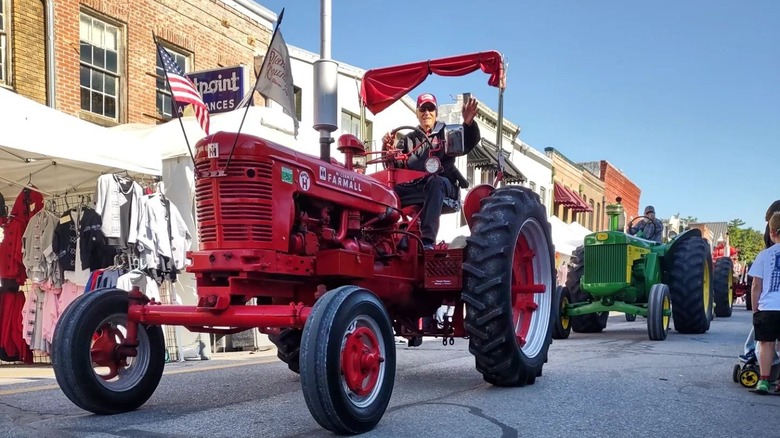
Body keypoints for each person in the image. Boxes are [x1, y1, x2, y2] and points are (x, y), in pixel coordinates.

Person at [383, 93, 480, 250]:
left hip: (444, 184)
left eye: (430, 108)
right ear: (417, 113)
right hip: (415, 186)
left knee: (435, 182)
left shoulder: (447, 133)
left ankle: (427, 241)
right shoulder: (408, 139)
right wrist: (389, 151)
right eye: (423, 109)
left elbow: (466, 143)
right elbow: (396, 167)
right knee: (386, 190)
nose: (427, 113)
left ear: (436, 112)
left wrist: (468, 124)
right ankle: (384, 238)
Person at [748, 211, 780, 394]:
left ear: (772, 232)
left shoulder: (764, 255)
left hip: (768, 307)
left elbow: (756, 285)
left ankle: (764, 380)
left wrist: (755, 308)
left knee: (766, 344)